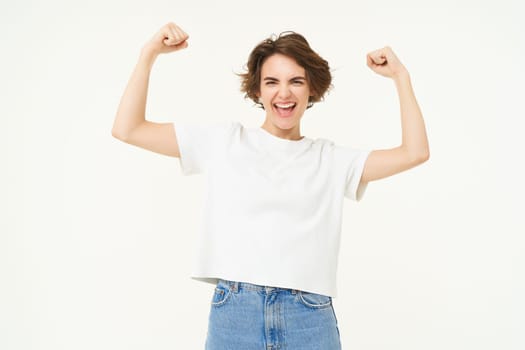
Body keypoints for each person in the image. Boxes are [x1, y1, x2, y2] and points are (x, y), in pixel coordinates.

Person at [112, 22, 429, 350]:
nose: (284, 93)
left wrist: (401, 78)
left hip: (308, 315)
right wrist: (148, 55)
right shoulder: (224, 142)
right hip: (236, 313)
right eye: (272, 82)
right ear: (257, 91)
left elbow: (415, 152)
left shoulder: (331, 159)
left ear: (311, 89)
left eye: (296, 81)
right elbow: (128, 128)